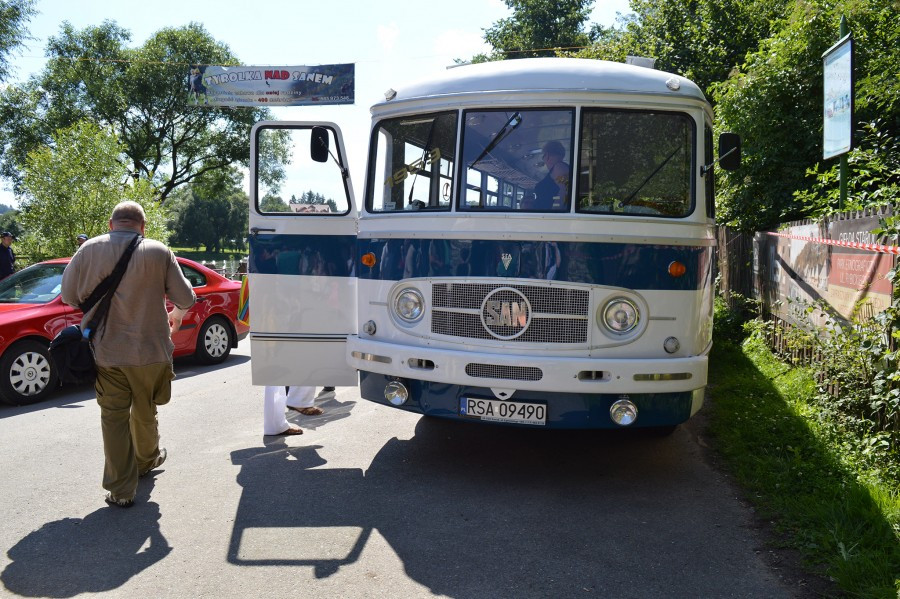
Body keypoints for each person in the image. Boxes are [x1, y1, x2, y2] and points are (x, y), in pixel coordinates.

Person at [61, 201, 196, 509]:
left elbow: (69, 296)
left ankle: (122, 489)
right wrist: (175, 312)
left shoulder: (88, 249)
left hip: (108, 352)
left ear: (111, 224)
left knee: (114, 417)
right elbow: (186, 296)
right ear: (143, 227)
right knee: (145, 407)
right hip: (153, 350)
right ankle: (146, 460)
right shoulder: (158, 251)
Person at [533, 140, 570, 210]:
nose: (544, 159)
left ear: (547, 156)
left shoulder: (559, 167)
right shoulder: (558, 169)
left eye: (544, 155)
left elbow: (565, 191)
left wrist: (554, 212)